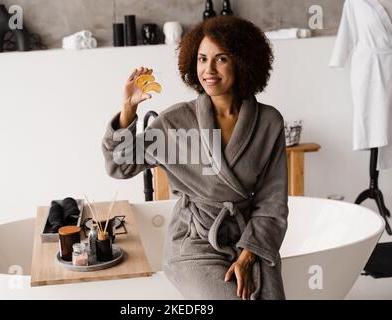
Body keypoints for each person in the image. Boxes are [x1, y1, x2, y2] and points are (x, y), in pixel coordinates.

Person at [102, 16, 288, 300]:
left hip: (248, 239)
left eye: (220, 59)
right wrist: (127, 110)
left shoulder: (268, 122)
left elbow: (272, 202)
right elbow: (119, 164)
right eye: (202, 59)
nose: (208, 70)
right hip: (195, 241)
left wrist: (248, 255)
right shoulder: (176, 121)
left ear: (243, 61)